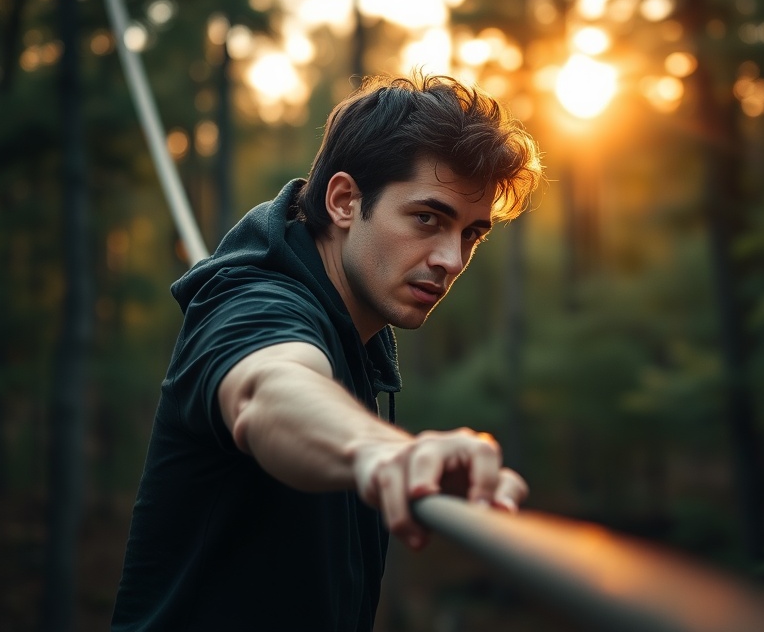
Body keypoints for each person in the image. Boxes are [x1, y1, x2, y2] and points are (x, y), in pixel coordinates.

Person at [111, 72, 543, 631]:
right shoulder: (252, 301)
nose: (451, 259)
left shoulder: (354, 330)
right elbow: (270, 389)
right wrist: (380, 452)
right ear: (343, 201)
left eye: (470, 234)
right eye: (427, 218)